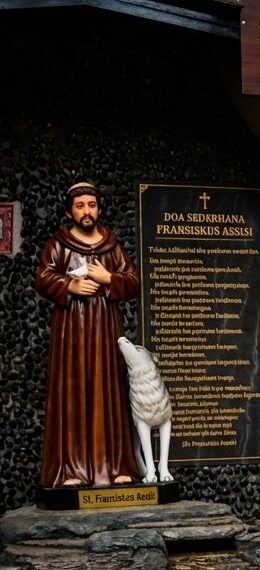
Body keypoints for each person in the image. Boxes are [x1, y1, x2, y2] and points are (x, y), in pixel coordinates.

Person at [35, 180, 140, 487]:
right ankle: (73, 469)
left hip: (106, 328)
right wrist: (70, 285)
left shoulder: (111, 245)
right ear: (70, 211)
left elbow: (133, 281)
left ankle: (116, 466)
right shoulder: (60, 243)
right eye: (80, 206)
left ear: (99, 209)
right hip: (72, 332)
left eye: (91, 205)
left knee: (110, 390)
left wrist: (109, 277)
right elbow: (43, 278)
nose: (86, 211)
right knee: (74, 393)